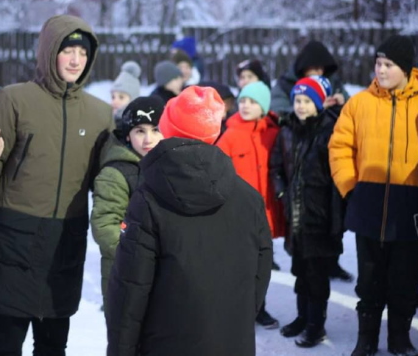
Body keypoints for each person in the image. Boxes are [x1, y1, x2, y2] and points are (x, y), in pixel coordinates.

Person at [0, 16, 113, 356]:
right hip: (13, 240)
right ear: (48, 52)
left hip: (65, 245)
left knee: (53, 344)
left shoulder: (100, 114)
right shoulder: (14, 100)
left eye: (82, 53)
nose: (75, 60)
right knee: (3, 343)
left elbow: (110, 183)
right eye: (67, 50)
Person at [105, 85, 273, 356]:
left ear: (168, 129)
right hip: (231, 341)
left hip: (165, 342)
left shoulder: (148, 198)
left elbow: (129, 289)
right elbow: (260, 272)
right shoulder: (248, 197)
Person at [329, 34, 418, 356]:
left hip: (410, 206)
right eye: (378, 63)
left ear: (406, 67)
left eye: (388, 64)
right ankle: (365, 340)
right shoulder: (359, 104)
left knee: (404, 280)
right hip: (367, 204)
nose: (380, 70)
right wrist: (351, 188)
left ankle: (400, 339)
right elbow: (340, 147)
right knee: (368, 280)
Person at [271, 75, 344, 348]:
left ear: (318, 102)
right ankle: (302, 317)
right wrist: (281, 192)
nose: (300, 106)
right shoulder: (287, 130)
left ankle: (317, 324)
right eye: (297, 101)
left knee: (317, 274)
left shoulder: (330, 130)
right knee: (300, 270)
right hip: (296, 214)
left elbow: (337, 175)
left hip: (320, 215)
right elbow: (276, 167)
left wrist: (336, 216)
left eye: (306, 101)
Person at [271, 39, 352, 283]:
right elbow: (280, 108)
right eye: (311, 69)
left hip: (323, 181)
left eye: (320, 70)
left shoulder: (334, 85)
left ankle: (332, 265)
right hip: (297, 160)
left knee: (326, 233)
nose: (317, 73)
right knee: (303, 257)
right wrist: (308, 106)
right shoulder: (286, 85)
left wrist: (336, 104)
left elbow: (349, 111)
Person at [216, 80, 283, 329]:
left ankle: (259, 308)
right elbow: (219, 173)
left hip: (266, 212)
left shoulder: (274, 133)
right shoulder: (230, 134)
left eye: (252, 101)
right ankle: (237, 310)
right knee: (239, 265)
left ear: (263, 106)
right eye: (242, 100)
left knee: (262, 264)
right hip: (238, 212)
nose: (245, 105)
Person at [91, 96, 164, 306]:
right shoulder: (115, 172)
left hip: (164, 277)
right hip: (126, 277)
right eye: (140, 131)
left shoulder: (170, 166)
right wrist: (140, 257)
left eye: (155, 129)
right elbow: (105, 225)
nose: (148, 139)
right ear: (128, 135)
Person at [271, 40, 348, 116]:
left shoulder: (333, 84)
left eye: (322, 68)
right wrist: (313, 109)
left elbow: (354, 110)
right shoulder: (286, 84)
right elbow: (277, 112)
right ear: (303, 67)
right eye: (315, 67)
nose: (319, 72)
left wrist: (341, 105)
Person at [110, 61, 141, 127]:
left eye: (121, 97)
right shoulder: (109, 121)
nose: (115, 101)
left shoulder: (135, 124)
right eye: (113, 97)